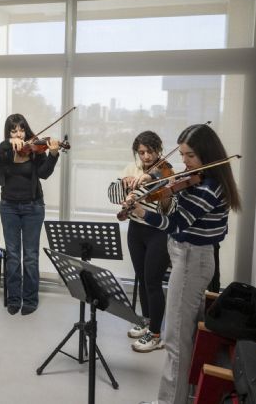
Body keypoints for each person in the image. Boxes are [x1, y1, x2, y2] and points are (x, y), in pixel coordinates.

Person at [132, 124, 241, 404]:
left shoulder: (208, 188)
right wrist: (164, 190)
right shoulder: (196, 181)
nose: (184, 162)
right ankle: (179, 397)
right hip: (186, 256)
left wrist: (143, 212)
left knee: (175, 339)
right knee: (181, 335)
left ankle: (170, 401)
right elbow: (175, 206)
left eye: (190, 155)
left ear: (207, 153)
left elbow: (177, 224)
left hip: (193, 260)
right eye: (181, 155)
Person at [0, 113, 60, 315]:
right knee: (13, 255)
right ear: (8, 133)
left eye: (21, 129)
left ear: (26, 130)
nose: (19, 134)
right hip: (8, 207)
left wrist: (53, 155)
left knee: (30, 256)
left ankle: (30, 299)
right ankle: (14, 298)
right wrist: (8, 143)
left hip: (33, 207)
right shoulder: (5, 152)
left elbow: (44, 174)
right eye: (14, 131)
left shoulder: (35, 150)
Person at [107, 131, 174, 352]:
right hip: (136, 230)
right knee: (142, 279)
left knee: (153, 282)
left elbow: (170, 209)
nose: (146, 157)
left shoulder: (166, 170)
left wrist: (152, 178)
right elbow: (113, 195)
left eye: (150, 152)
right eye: (142, 152)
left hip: (158, 232)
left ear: (158, 150)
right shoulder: (132, 169)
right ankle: (146, 322)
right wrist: (125, 186)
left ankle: (156, 335)